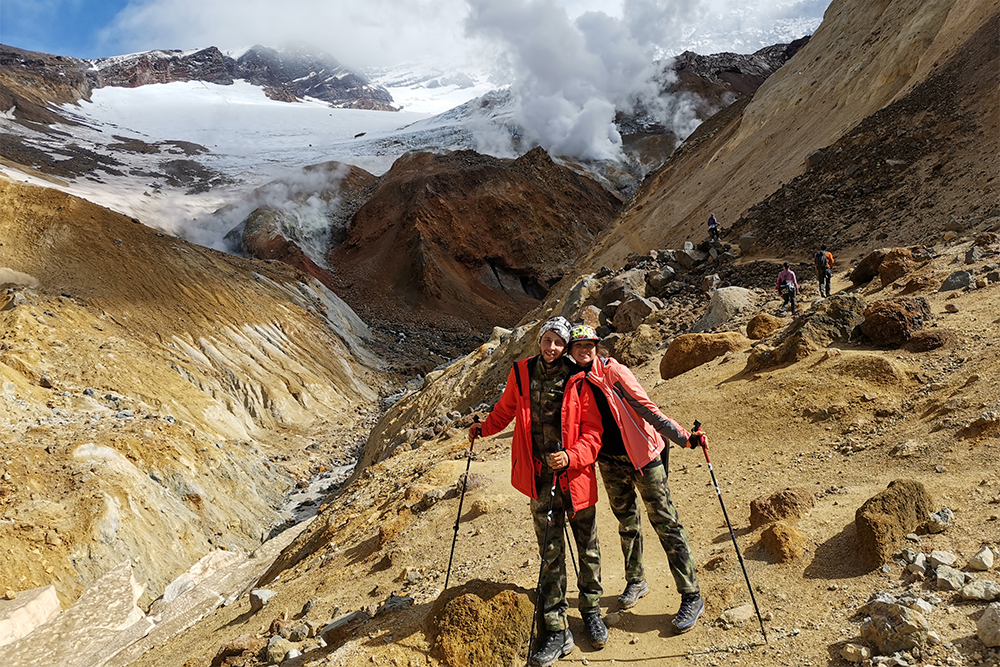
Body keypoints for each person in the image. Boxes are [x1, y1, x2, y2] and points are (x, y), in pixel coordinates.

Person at [469, 316, 608, 666]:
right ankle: (557, 627)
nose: (551, 348)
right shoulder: (521, 374)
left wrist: (572, 456)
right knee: (550, 554)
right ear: (539, 340)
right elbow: (505, 411)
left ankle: (591, 610)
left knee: (587, 547)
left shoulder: (580, 377)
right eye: (547, 340)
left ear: (566, 347)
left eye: (559, 343)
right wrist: (482, 429)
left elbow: (593, 432)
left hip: (575, 479)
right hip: (540, 480)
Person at [565, 325, 707, 634]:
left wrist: (685, 438)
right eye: (578, 345)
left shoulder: (614, 371)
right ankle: (636, 580)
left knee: (666, 523)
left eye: (588, 344)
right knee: (627, 521)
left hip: (643, 456)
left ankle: (691, 594)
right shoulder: (574, 382)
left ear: (596, 346)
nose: (584, 350)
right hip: (609, 461)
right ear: (570, 351)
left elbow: (648, 409)